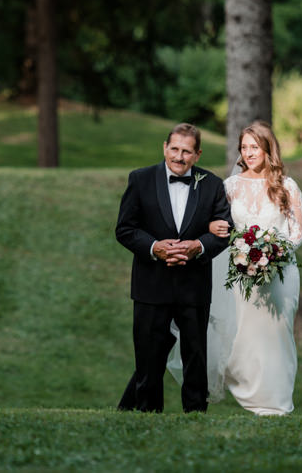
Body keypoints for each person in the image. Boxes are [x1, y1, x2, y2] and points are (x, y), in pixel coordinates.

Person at [168, 120, 302, 416]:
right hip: (238, 272)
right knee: (240, 336)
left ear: (268, 149)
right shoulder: (229, 186)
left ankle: (275, 405)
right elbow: (217, 222)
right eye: (244, 147)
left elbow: (296, 233)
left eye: (254, 147)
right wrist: (216, 230)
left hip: (279, 273)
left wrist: (272, 253)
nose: (248, 152)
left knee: (277, 336)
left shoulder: (287, 186)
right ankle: (243, 391)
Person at [115, 123, 232, 413]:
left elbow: (223, 231)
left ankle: (195, 415)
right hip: (151, 282)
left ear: (198, 154)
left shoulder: (212, 184)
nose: (179, 157)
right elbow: (125, 229)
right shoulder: (140, 179)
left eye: (187, 151)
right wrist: (155, 248)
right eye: (175, 149)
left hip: (194, 284)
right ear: (165, 148)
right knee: (148, 355)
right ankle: (147, 414)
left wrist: (197, 247)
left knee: (195, 354)